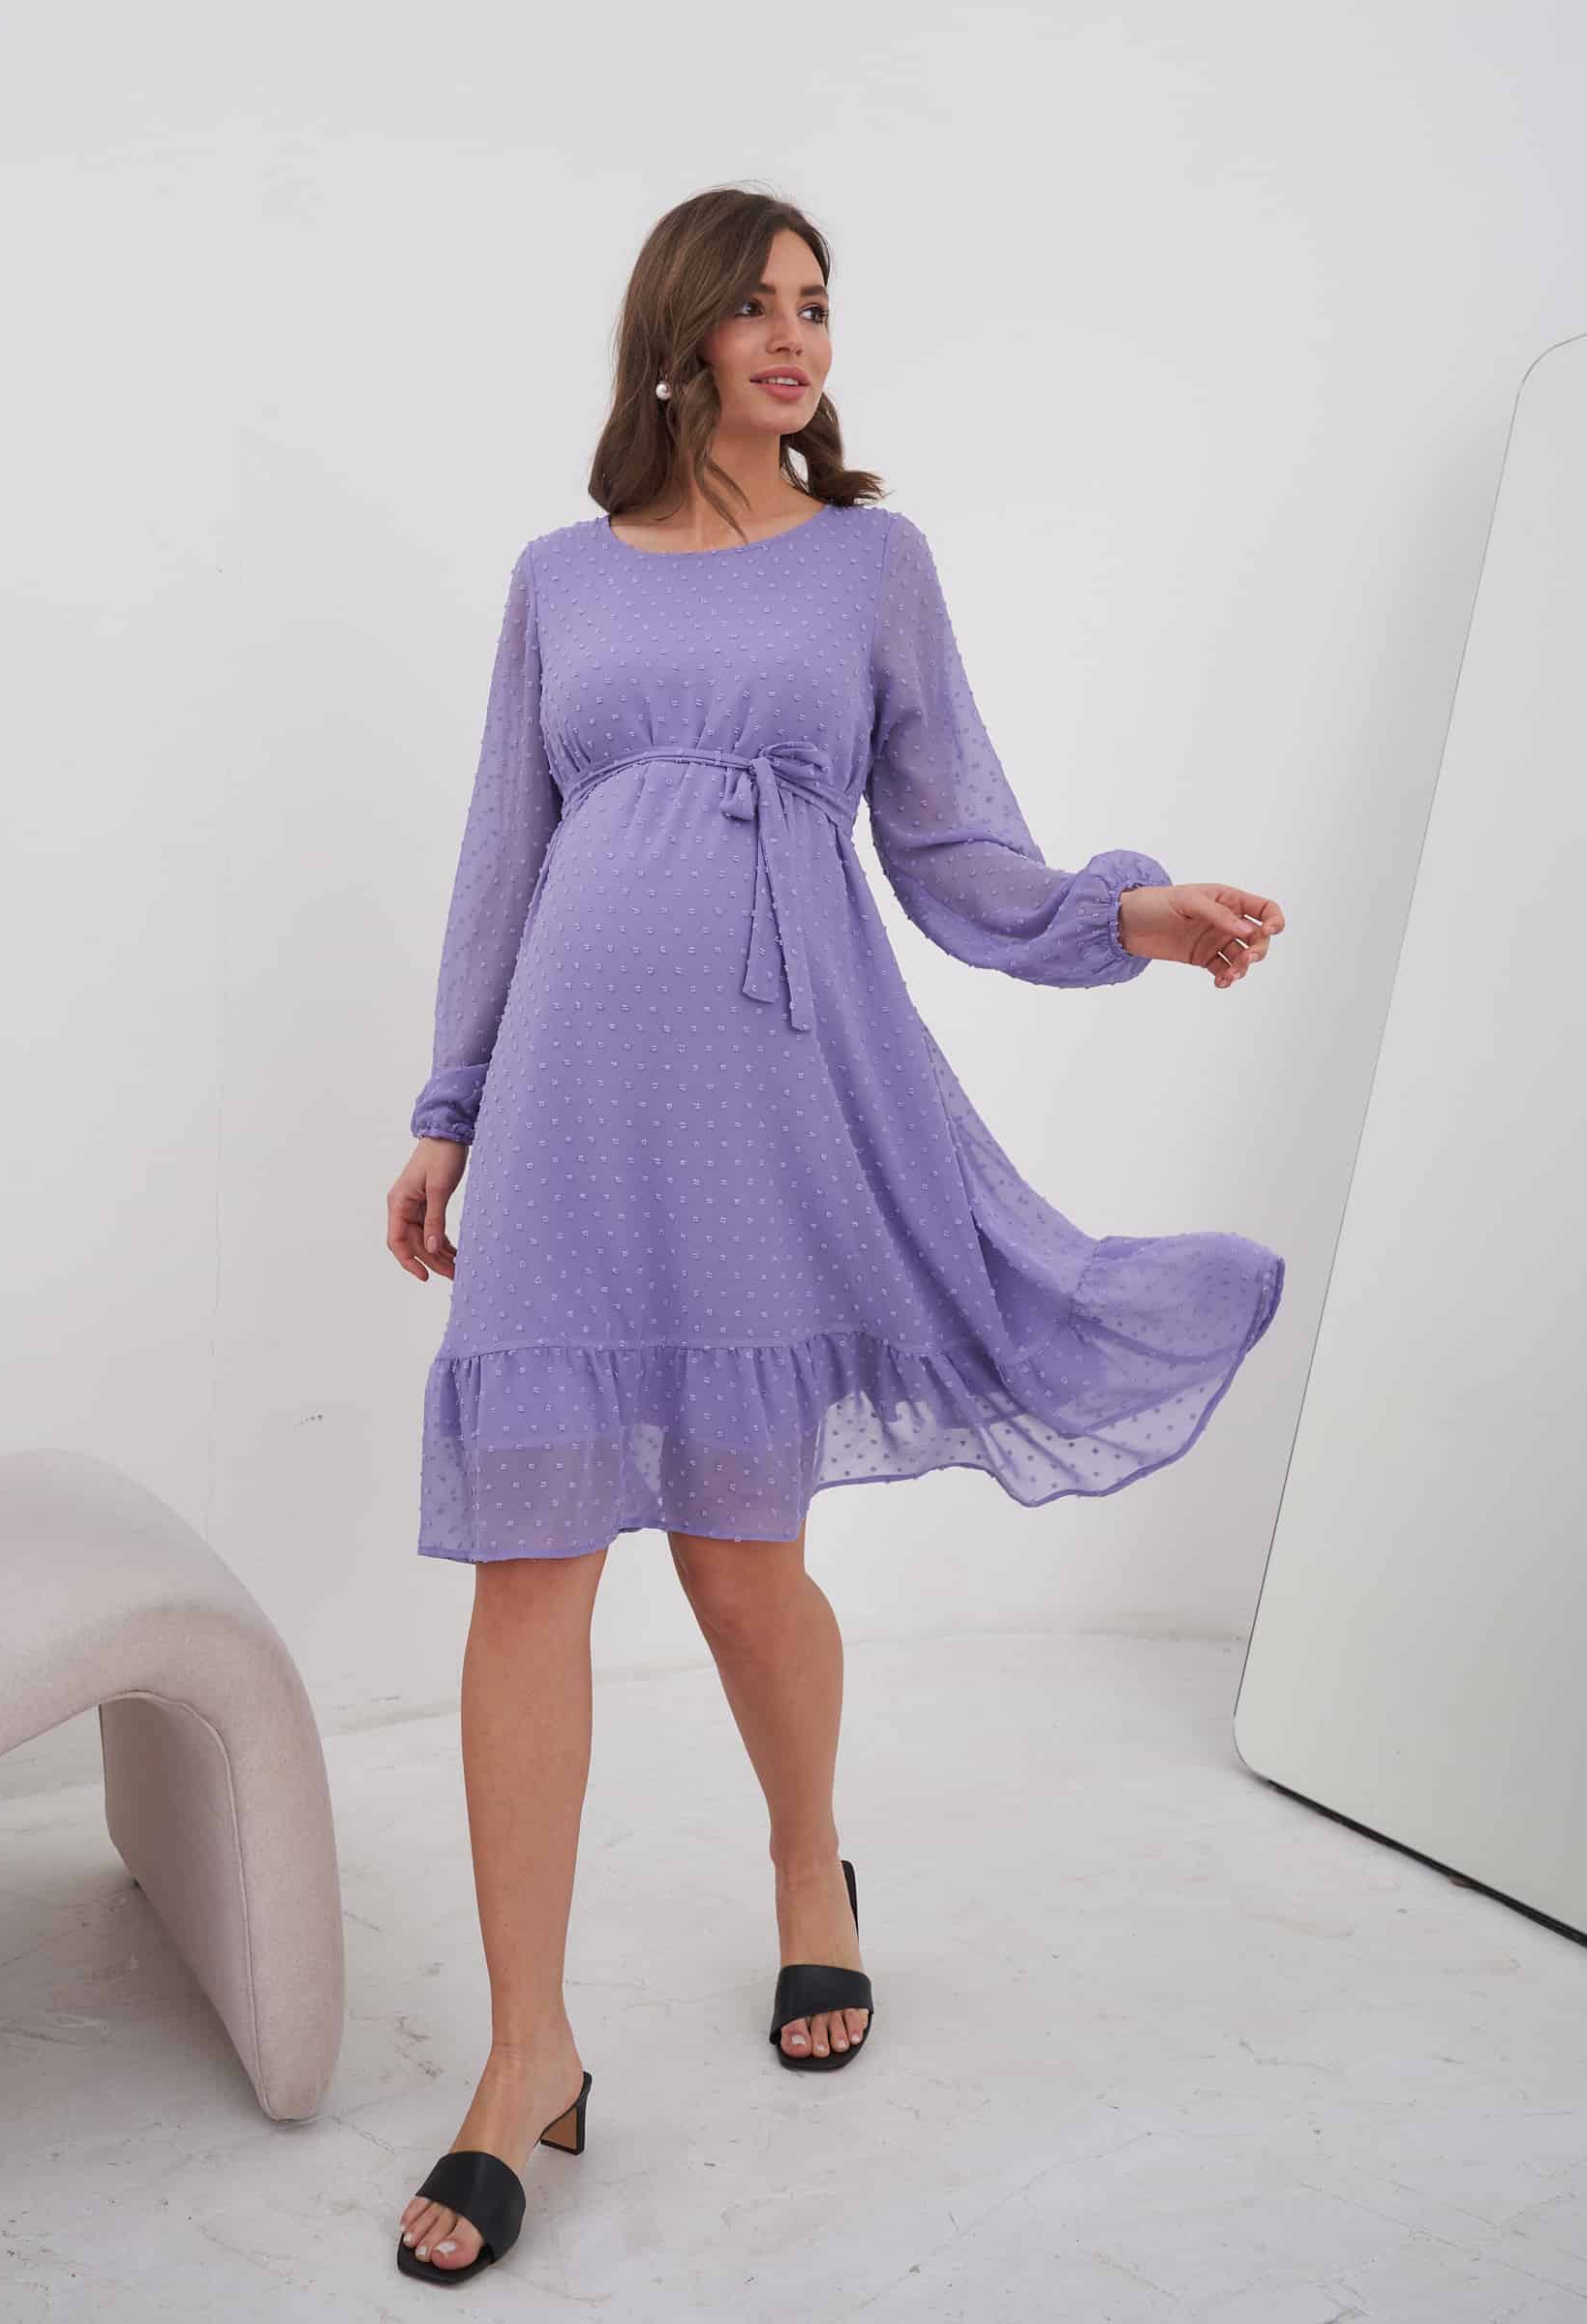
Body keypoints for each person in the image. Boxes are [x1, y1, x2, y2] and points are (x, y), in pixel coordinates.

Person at [384, 185, 1286, 2281]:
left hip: (771, 1106)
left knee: (737, 1558)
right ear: (678, 335)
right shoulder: (559, 578)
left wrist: (1123, 916)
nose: (795, 338)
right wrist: (447, 1107)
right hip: (569, 1116)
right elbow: (505, 851)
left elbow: (952, 842)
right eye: (758, 307)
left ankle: (811, 1868)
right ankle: (526, 2053)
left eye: (817, 306)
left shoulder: (873, 565)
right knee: (528, 1566)